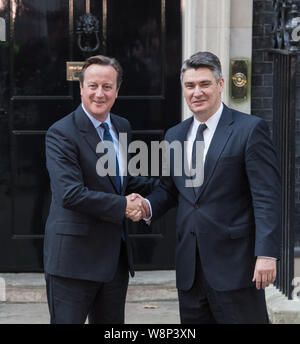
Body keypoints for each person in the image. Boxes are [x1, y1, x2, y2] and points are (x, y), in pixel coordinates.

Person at [128, 51, 281, 324]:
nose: (196, 92)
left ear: (220, 85)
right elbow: (170, 189)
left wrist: (267, 253)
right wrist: (146, 206)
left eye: (204, 84)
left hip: (236, 267)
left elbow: (266, 197)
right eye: (190, 86)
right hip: (190, 270)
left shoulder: (249, 129)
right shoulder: (174, 135)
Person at [44, 55, 154, 324]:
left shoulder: (122, 127)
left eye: (107, 87)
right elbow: (70, 193)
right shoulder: (61, 133)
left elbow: (126, 181)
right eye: (92, 86)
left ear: (117, 91)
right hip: (73, 261)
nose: (99, 93)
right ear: (81, 88)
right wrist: (124, 206)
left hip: (114, 261)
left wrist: (172, 185)